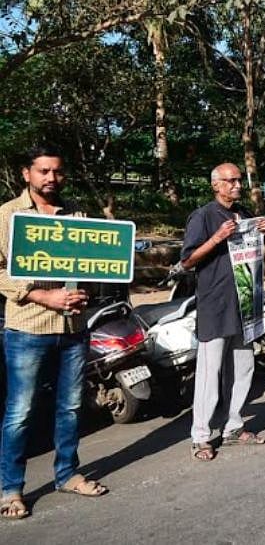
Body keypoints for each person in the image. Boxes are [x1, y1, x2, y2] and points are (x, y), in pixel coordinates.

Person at [0, 147, 107, 520]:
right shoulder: (8, 215)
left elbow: (94, 265)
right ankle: (11, 489)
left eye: (57, 172)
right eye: (43, 171)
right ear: (26, 174)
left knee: (72, 407)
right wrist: (42, 294)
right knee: (20, 412)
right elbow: (0, 270)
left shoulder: (77, 214)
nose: (51, 178)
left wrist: (88, 290)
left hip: (74, 328)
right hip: (27, 327)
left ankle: (67, 474)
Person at [180, 163, 265, 460]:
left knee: (243, 367)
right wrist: (217, 238)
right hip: (215, 304)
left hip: (245, 303)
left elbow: (255, 249)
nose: (236, 185)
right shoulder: (203, 216)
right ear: (216, 185)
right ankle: (201, 436)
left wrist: (264, 232)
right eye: (230, 181)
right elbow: (187, 261)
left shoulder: (244, 214)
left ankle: (234, 426)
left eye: (238, 181)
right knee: (210, 371)